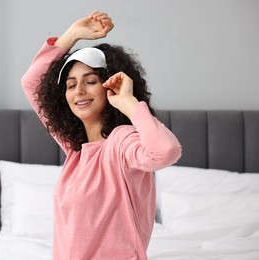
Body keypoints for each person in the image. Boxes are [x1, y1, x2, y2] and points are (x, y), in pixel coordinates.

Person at [21, 11, 181, 260]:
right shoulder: (76, 149)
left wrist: (128, 102)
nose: (79, 91)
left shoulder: (121, 141)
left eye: (90, 81)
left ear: (109, 85)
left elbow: (166, 151)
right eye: (71, 85)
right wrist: (73, 34)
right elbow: (32, 82)